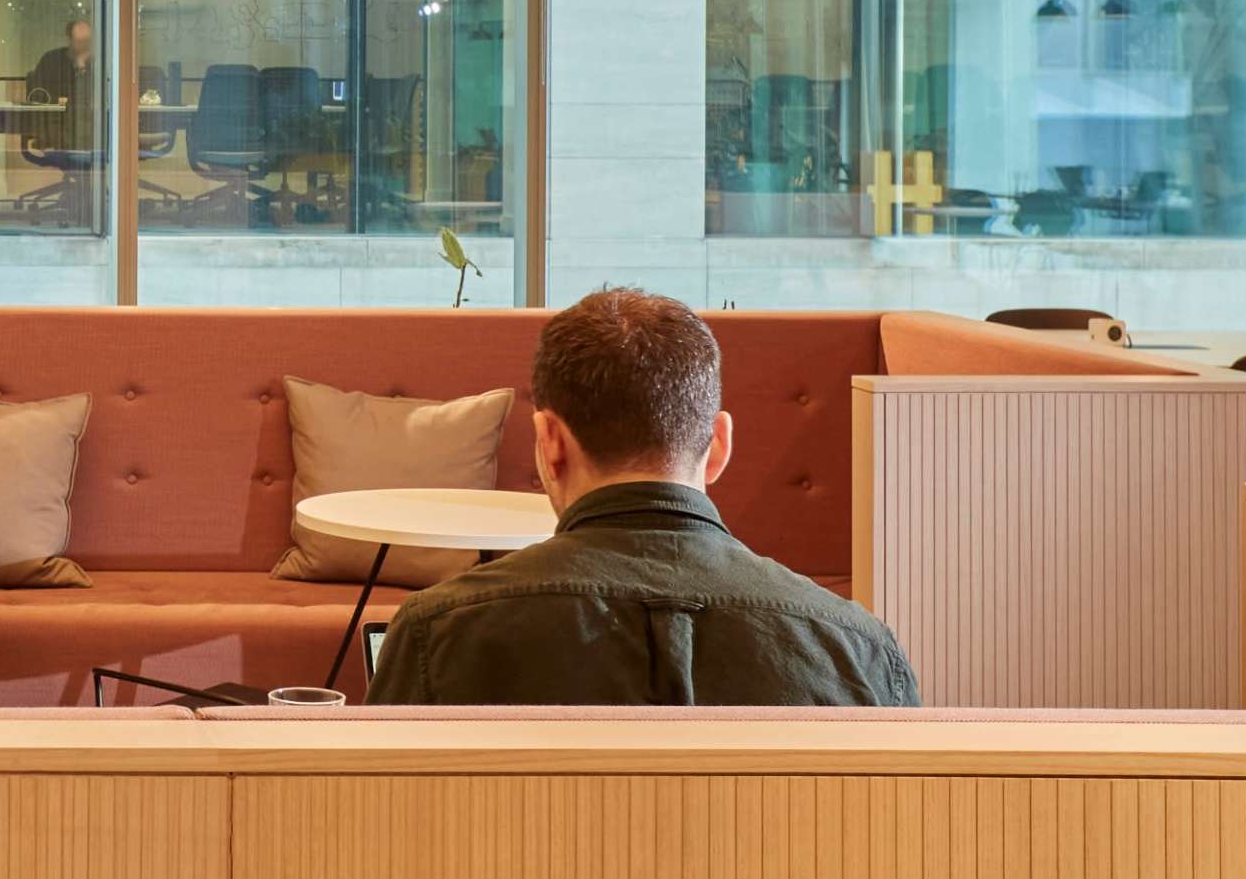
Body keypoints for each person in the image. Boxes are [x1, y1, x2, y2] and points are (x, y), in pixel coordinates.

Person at [362, 287, 919, 707]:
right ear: (719, 444)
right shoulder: (857, 648)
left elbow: (383, 838)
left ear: (549, 443)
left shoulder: (438, 632)